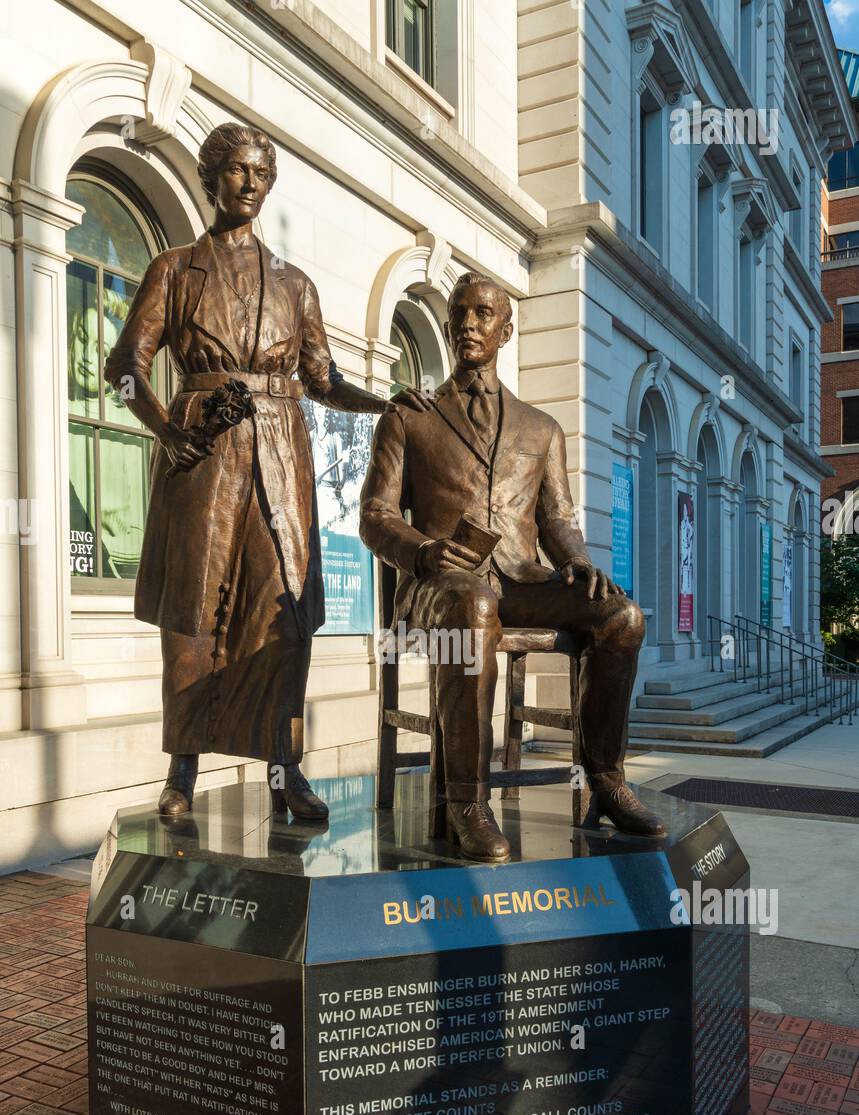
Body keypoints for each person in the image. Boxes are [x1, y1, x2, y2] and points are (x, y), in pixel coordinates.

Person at [105, 122, 428, 820]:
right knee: (191, 609)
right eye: (236, 171)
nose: (249, 183)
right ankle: (181, 773)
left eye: (260, 173)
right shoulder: (174, 268)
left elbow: (321, 379)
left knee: (281, 614)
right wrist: (167, 431)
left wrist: (384, 401)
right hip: (204, 450)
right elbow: (123, 370)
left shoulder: (295, 284)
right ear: (211, 178)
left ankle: (286, 771)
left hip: (281, 453)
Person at [359, 271, 665, 862]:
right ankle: (467, 801)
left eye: (482, 314)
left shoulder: (541, 428)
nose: (468, 324)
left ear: (506, 328)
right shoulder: (410, 415)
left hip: (520, 580)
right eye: (459, 313)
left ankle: (605, 779)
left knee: (622, 616)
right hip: (436, 586)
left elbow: (558, 522)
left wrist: (577, 562)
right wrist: (421, 550)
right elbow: (375, 514)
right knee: (474, 605)